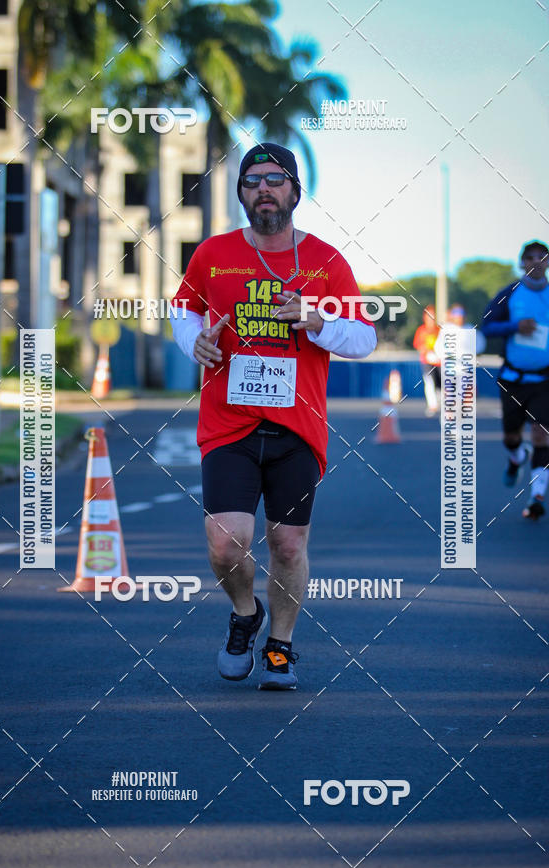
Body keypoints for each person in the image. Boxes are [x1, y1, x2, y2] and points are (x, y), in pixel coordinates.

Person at [170, 142, 376, 690]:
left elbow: (364, 337)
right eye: (252, 180)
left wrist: (317, 321)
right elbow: (183, 308)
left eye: (275, 179)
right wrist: (196, 343)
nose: (263, 189)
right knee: (224, 543)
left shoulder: (328, 261)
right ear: (241, 193)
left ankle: (281, 647)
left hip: (296, 428)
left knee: (288, 545)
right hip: (228, 423)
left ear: (295, 191)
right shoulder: (212, 254)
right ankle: (245, 615)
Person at [480, 240, 549, 520]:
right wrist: (514, 326)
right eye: (530, 257)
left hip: (544, 379)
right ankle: (515, 457)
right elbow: (486, 325)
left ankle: (536, 498)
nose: (536, 262)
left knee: (541, 434)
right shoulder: (510, 294)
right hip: (513, 379)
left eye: (542, 257)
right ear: (522, 263)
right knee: (511, 436)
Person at [413, 305, 441, 415]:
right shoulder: (421, 330)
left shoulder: (439, 330)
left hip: (439, 362)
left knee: (441, 384)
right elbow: (418, 346)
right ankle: (432, 405)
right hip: (427, 362)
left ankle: (443, 405)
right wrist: (427, 351)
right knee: (429, 382)